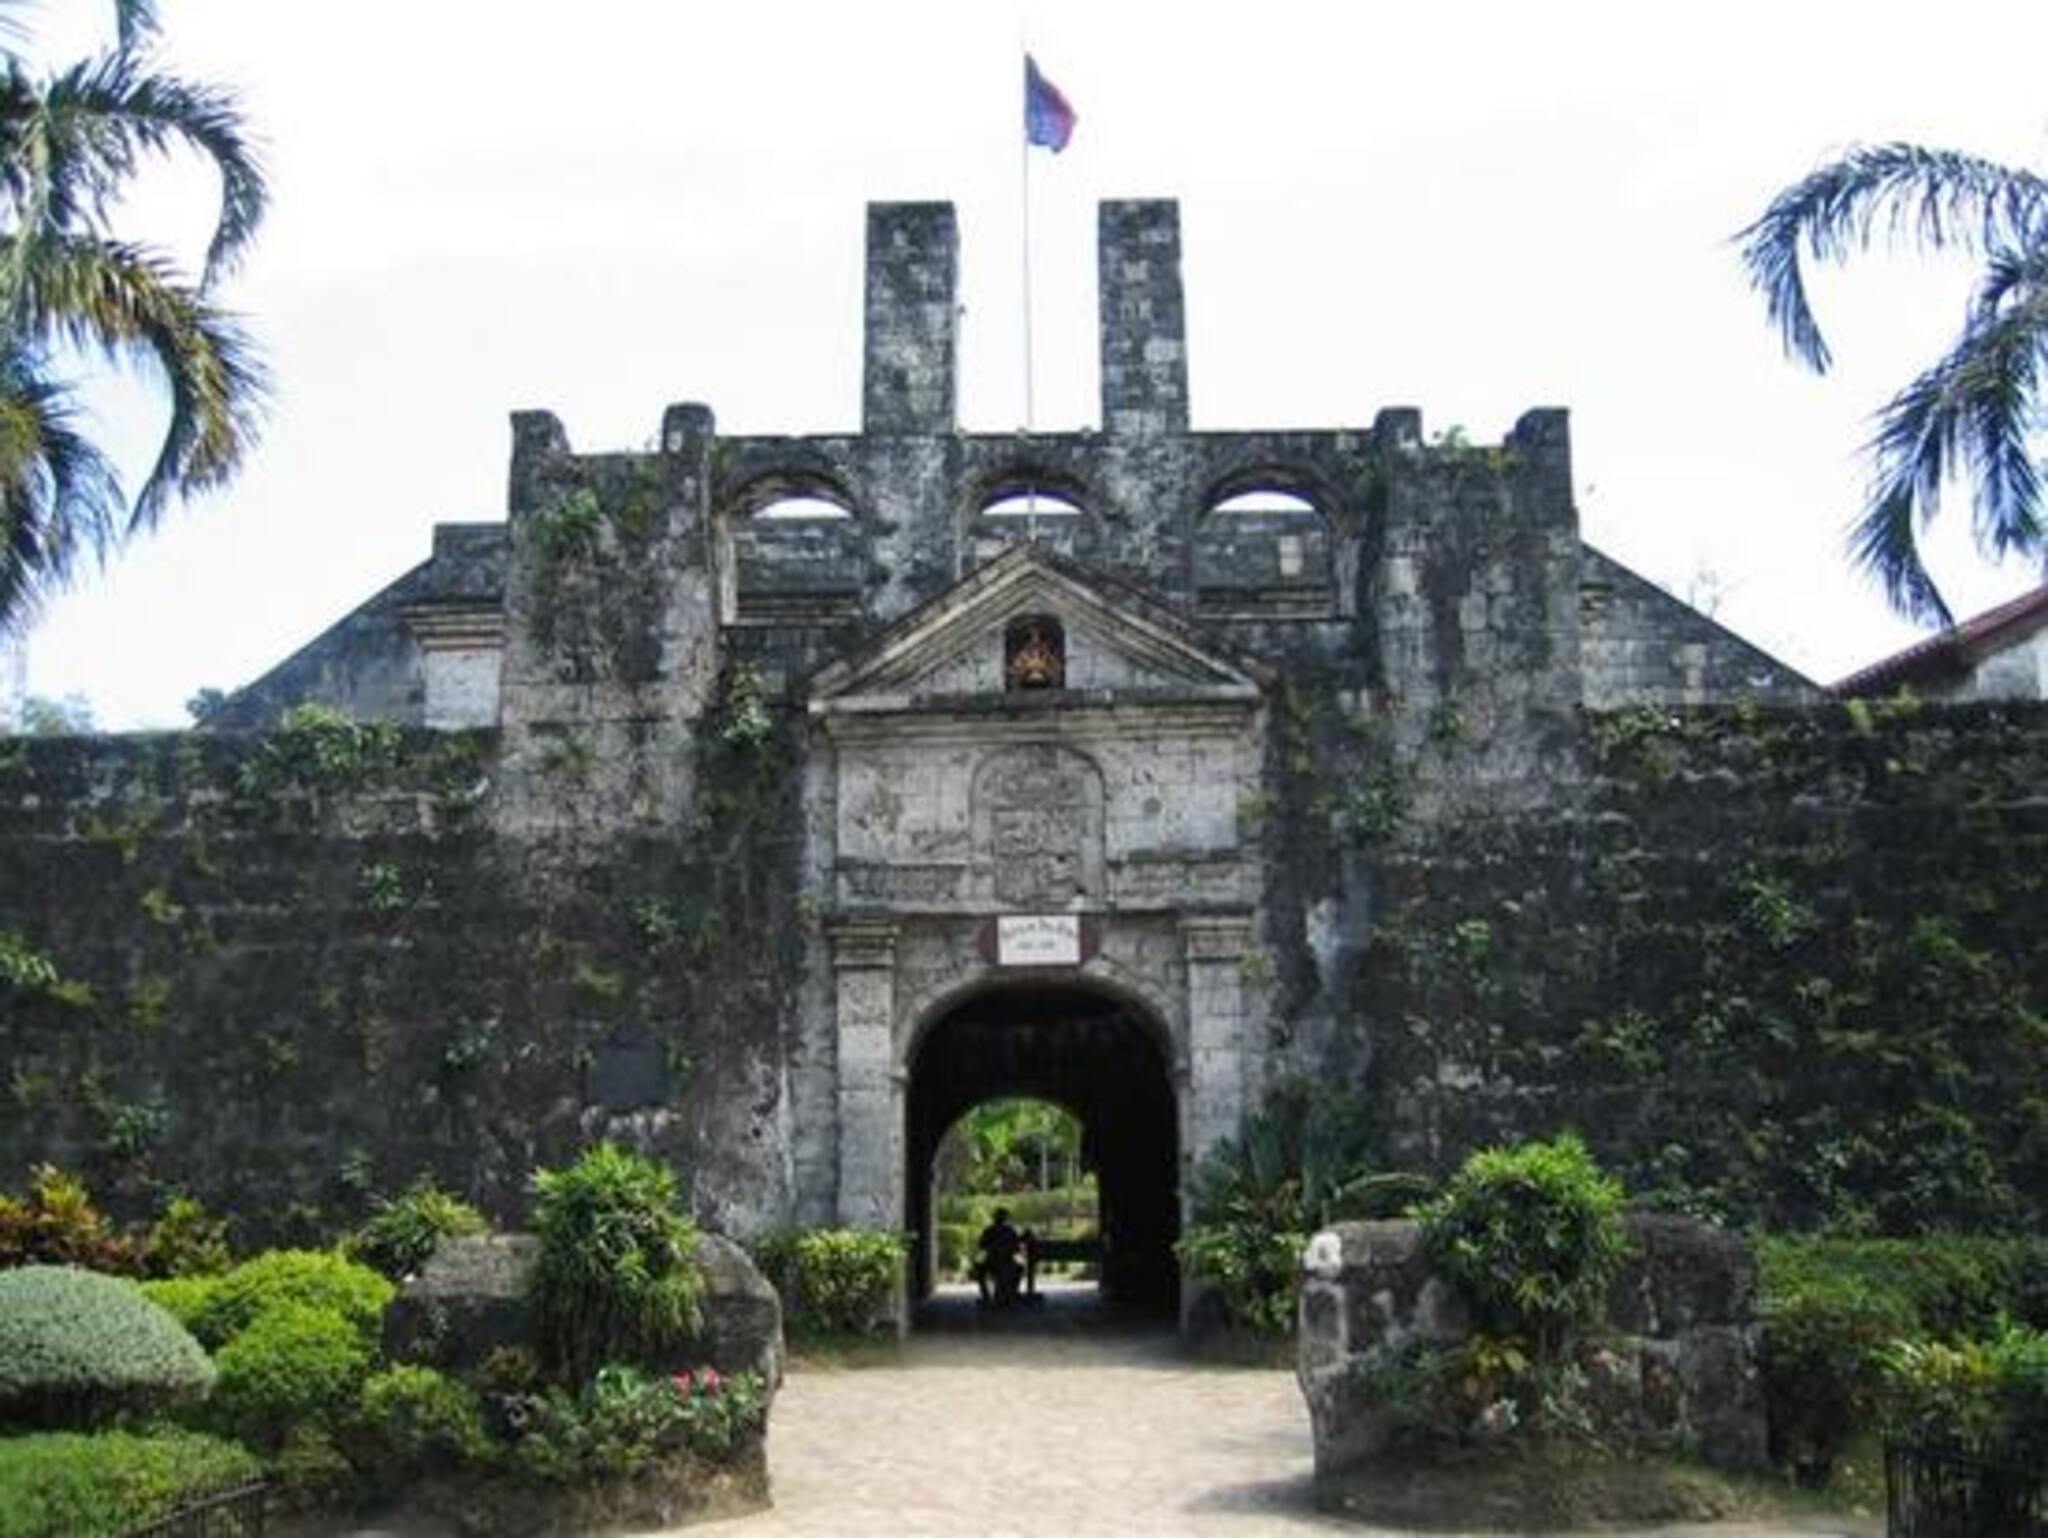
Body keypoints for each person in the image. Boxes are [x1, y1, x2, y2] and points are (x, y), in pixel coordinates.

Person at [973, 1206, 1023, 1305]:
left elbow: (981, 1245)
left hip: (991, 1261)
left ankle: (986, 1296)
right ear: (1005, 1218)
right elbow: (1017, 1249)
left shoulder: (988, 1230)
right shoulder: (1011, 1230)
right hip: (1007, 1262)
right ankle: (1012, 1292)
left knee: (980, 1269)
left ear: (994, 1218)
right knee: (1019, 1268)